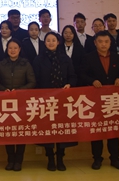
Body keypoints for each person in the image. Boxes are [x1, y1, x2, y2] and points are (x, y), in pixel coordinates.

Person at [80, 31, 119, 171]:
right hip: (95, 99)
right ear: (95, 43)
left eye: (106, 41)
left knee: (113, 130)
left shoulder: (117, 57)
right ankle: (97, 159)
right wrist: (92, 81)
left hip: (112, 99)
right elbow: (82, 74)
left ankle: (115, 159)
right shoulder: (88, 57)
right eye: (100, 42)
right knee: (97, 130)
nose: (103, 44)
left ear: (110, 43)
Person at [33, 32, 78, 171]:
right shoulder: (39, 59)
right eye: (48, 40)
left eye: (53, 40)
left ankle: (60, 158)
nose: (51, 43)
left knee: (61, 130)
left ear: (58, 42)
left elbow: (73, 76)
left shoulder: (65, 58)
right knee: (47, 130)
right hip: (45, 100)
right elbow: (35, 80)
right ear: (44, 43)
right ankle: (50, 158)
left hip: (62, 100)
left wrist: (69, 84)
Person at [0, 39, 36, 171]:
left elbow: (32, 82)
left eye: (15, 48)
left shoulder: (26, 64)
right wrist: (3, 90)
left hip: (21, 102)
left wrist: (19, 91)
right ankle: (10, 160)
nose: (12, 50)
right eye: (10, 48)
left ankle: (19, 160)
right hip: (6, 103)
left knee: (20, 132)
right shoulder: (1, 64)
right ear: (6, 50)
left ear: (19, 49)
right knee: (8, 132)